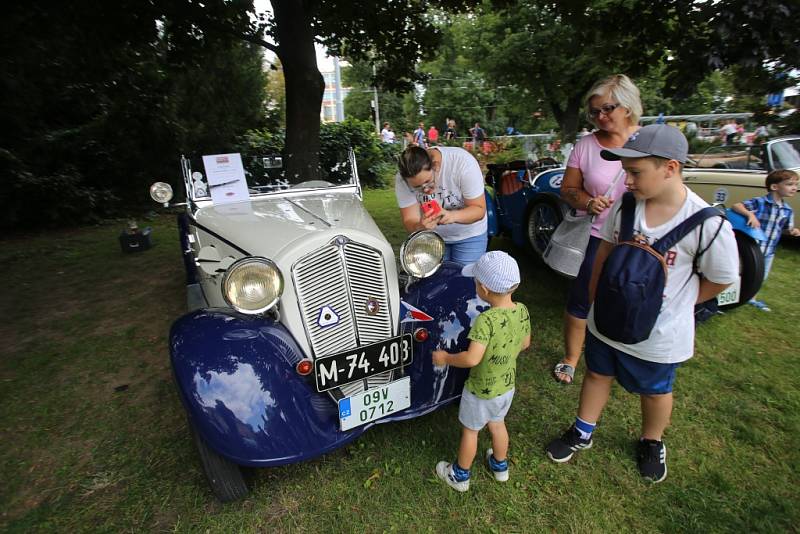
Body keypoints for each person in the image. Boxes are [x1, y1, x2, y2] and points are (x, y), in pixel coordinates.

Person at [545, 124, 739, 483]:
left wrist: (682, 302)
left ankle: (652, 440)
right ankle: (583, 430)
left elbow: (722, 276)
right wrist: (593, 296)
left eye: (635, 172)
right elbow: (605, 248)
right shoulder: (626, 203)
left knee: (655, 390)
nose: (627, 181)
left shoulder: (707, 224)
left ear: (670, 168)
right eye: (625, 171)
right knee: (597, 373)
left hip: (658, 334)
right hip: (607, 319)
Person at [552, 74, 642, 385]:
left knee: (629, 298)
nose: (600, 117)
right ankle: (571, 357)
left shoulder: (648, 142)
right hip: (596, 236)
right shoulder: (586, 146)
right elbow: (568, 189)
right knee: (582, 298)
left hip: (639, 239)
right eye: (594, 112)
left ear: (628, 107)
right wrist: (588, 202)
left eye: (607, 109)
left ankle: (622, 354)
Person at [431, 251, 531, 491]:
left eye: (475, 282)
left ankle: (460, 476)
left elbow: (472, 359)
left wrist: (445, 357)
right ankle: (500, 467)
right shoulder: (522, 310)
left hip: (480, 391)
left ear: (484, 289)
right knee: (498, 424)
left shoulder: (486, 321)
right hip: (506, 386)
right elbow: (525, 344)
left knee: (471, 431)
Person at [395, 145, 488, 265]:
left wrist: (451, 216)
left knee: (464, 280)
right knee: (436, 282)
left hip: (469, 236)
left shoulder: (462, 163)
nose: (426, 190)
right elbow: (409, 219)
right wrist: (420, 227)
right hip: (432, 240)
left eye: (428, 181)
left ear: (436, 166)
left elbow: (479, 209)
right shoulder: (402, 179)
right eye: (417, 187)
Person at [731, 169, 800, 311]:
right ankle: (727, 297)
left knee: (760, 276)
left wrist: (793, 231)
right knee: (738, 272)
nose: (795, 187)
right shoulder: (760, 202)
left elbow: (786, 228)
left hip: (769, 250)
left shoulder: (787, 210)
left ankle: (751, 298)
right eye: (790, 184)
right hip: (752, 249)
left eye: (796, 184)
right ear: (775, 187)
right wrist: (750, 215)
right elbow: (736, 206)